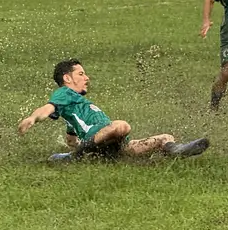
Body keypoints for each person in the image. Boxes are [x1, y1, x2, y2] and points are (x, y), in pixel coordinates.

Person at [18, 59, 211, 162]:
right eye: (81, 73)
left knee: (164, 137)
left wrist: (73, 145)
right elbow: (48, 107)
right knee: (122, 125)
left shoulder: (75, 105)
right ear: (67, 78)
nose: (87, 78)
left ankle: (176, 150)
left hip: (116, 145)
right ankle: (75, 157)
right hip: (105, 140)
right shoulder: (64, 93)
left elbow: (70, 138)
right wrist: (33, 118)